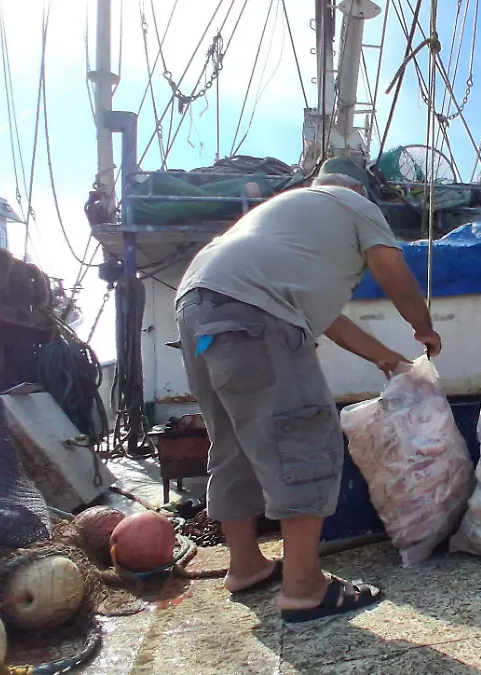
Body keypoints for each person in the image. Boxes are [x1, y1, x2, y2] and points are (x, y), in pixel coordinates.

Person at [174, 156, 442, 622]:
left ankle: (246, 566)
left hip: (195, 306)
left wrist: (386, 358)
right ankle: (303, 587)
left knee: (233, 442)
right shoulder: (353, 204)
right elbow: (392, 269)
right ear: (359, 191)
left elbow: (331, 323)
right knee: (304, 437)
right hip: (252, 314)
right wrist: (423, 328)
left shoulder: (285, 217)